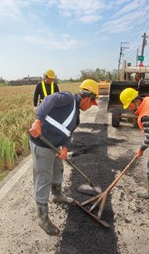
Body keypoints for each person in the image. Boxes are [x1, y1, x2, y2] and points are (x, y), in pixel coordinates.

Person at [29, 79, 99, 236]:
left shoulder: (77, 115)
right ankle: (43, 218)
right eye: (92, 102)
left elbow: (68, 133)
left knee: (58, 169)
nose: (90, 107)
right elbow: (48, 99)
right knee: (43, 178)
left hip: (55, 146)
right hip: (42, 143)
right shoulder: (68, 99)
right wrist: (38, 121)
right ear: (87, 97)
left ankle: (58, 195)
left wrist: (65, 148)